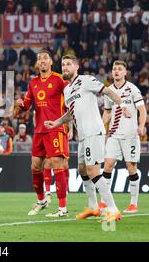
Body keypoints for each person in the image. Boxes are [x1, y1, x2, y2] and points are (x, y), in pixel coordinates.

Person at [44, 55, 132, 223]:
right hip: (83, 136)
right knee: (82, 170)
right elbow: (71, 113)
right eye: (63, 65)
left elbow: (107, 91)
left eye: (69, 64)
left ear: (77, 67)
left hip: (93, 131)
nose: (65, 67)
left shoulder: (86, 80)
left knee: (93, 171)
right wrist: (55, 123)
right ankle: (93, 207)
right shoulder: (67, 89)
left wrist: (122, 105)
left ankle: (113, 210)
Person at [17, 49, 70, 217]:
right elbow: (27, 105)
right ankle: (41, 201)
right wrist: (20, 104)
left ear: (51, 62)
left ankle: (62, 207)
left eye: (45, 58)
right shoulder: (33, 82)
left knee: (57, 164)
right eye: (39, 59)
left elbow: (72, 102)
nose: (42, 61)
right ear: (37, 63)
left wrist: (71, 127)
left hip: (56, 128)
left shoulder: (60, 80)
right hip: (39, 130)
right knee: (35, 166)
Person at [101, 61, 147, 213]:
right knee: (107, 165)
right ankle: (104, 202)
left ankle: (133, 204)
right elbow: (107, 112)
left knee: (131, 167)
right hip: (113, 134)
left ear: (125, 72)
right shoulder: (108, 91)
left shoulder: (132, 89)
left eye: (120, 69)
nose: (116, 71)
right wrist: (101, 127)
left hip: (130, 135)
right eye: (114, 69)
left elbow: (142, 110)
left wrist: (141, 126)